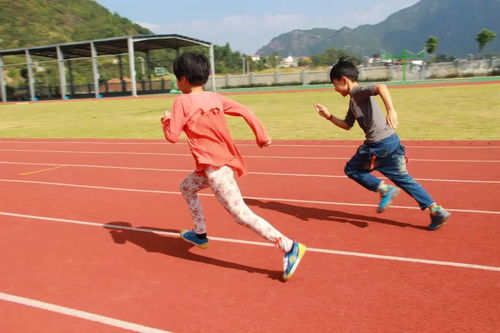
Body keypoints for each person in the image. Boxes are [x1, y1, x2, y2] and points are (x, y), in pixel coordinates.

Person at [161, 52, 306, 280]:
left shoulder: (181, 101)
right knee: (187, 187)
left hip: (216, 170)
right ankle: (200, 234)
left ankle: (289, 246)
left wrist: (166, 120)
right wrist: (261, 136)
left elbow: (171, 136)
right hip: (216, 167)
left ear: (183, 80)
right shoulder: (215, 98)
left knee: (240, 214)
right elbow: (246, 111)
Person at [313, 58, 450, 230]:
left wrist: (391, 110)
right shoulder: (353, 101)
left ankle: (385, 190)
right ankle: (436, 210)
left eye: (335, 84)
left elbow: (380, 87)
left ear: (344, 80)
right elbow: (348, 125)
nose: (334, 89)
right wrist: (329, 116)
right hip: (391, 141)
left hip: (379, 145)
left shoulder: (357, 91)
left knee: (351, 169)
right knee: (404, 179)